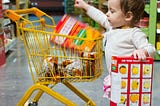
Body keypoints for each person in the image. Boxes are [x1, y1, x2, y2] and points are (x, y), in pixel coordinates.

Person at [74, 0, 156, 99]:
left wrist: (143, 51)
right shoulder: (112, 27)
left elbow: (150, 48)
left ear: (128, 16)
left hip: (130, 80)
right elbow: (100, 16)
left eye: (112, 11)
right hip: (115, 78)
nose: (107, 14)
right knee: (116, 100)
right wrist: (85, 6)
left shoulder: (134, 33)